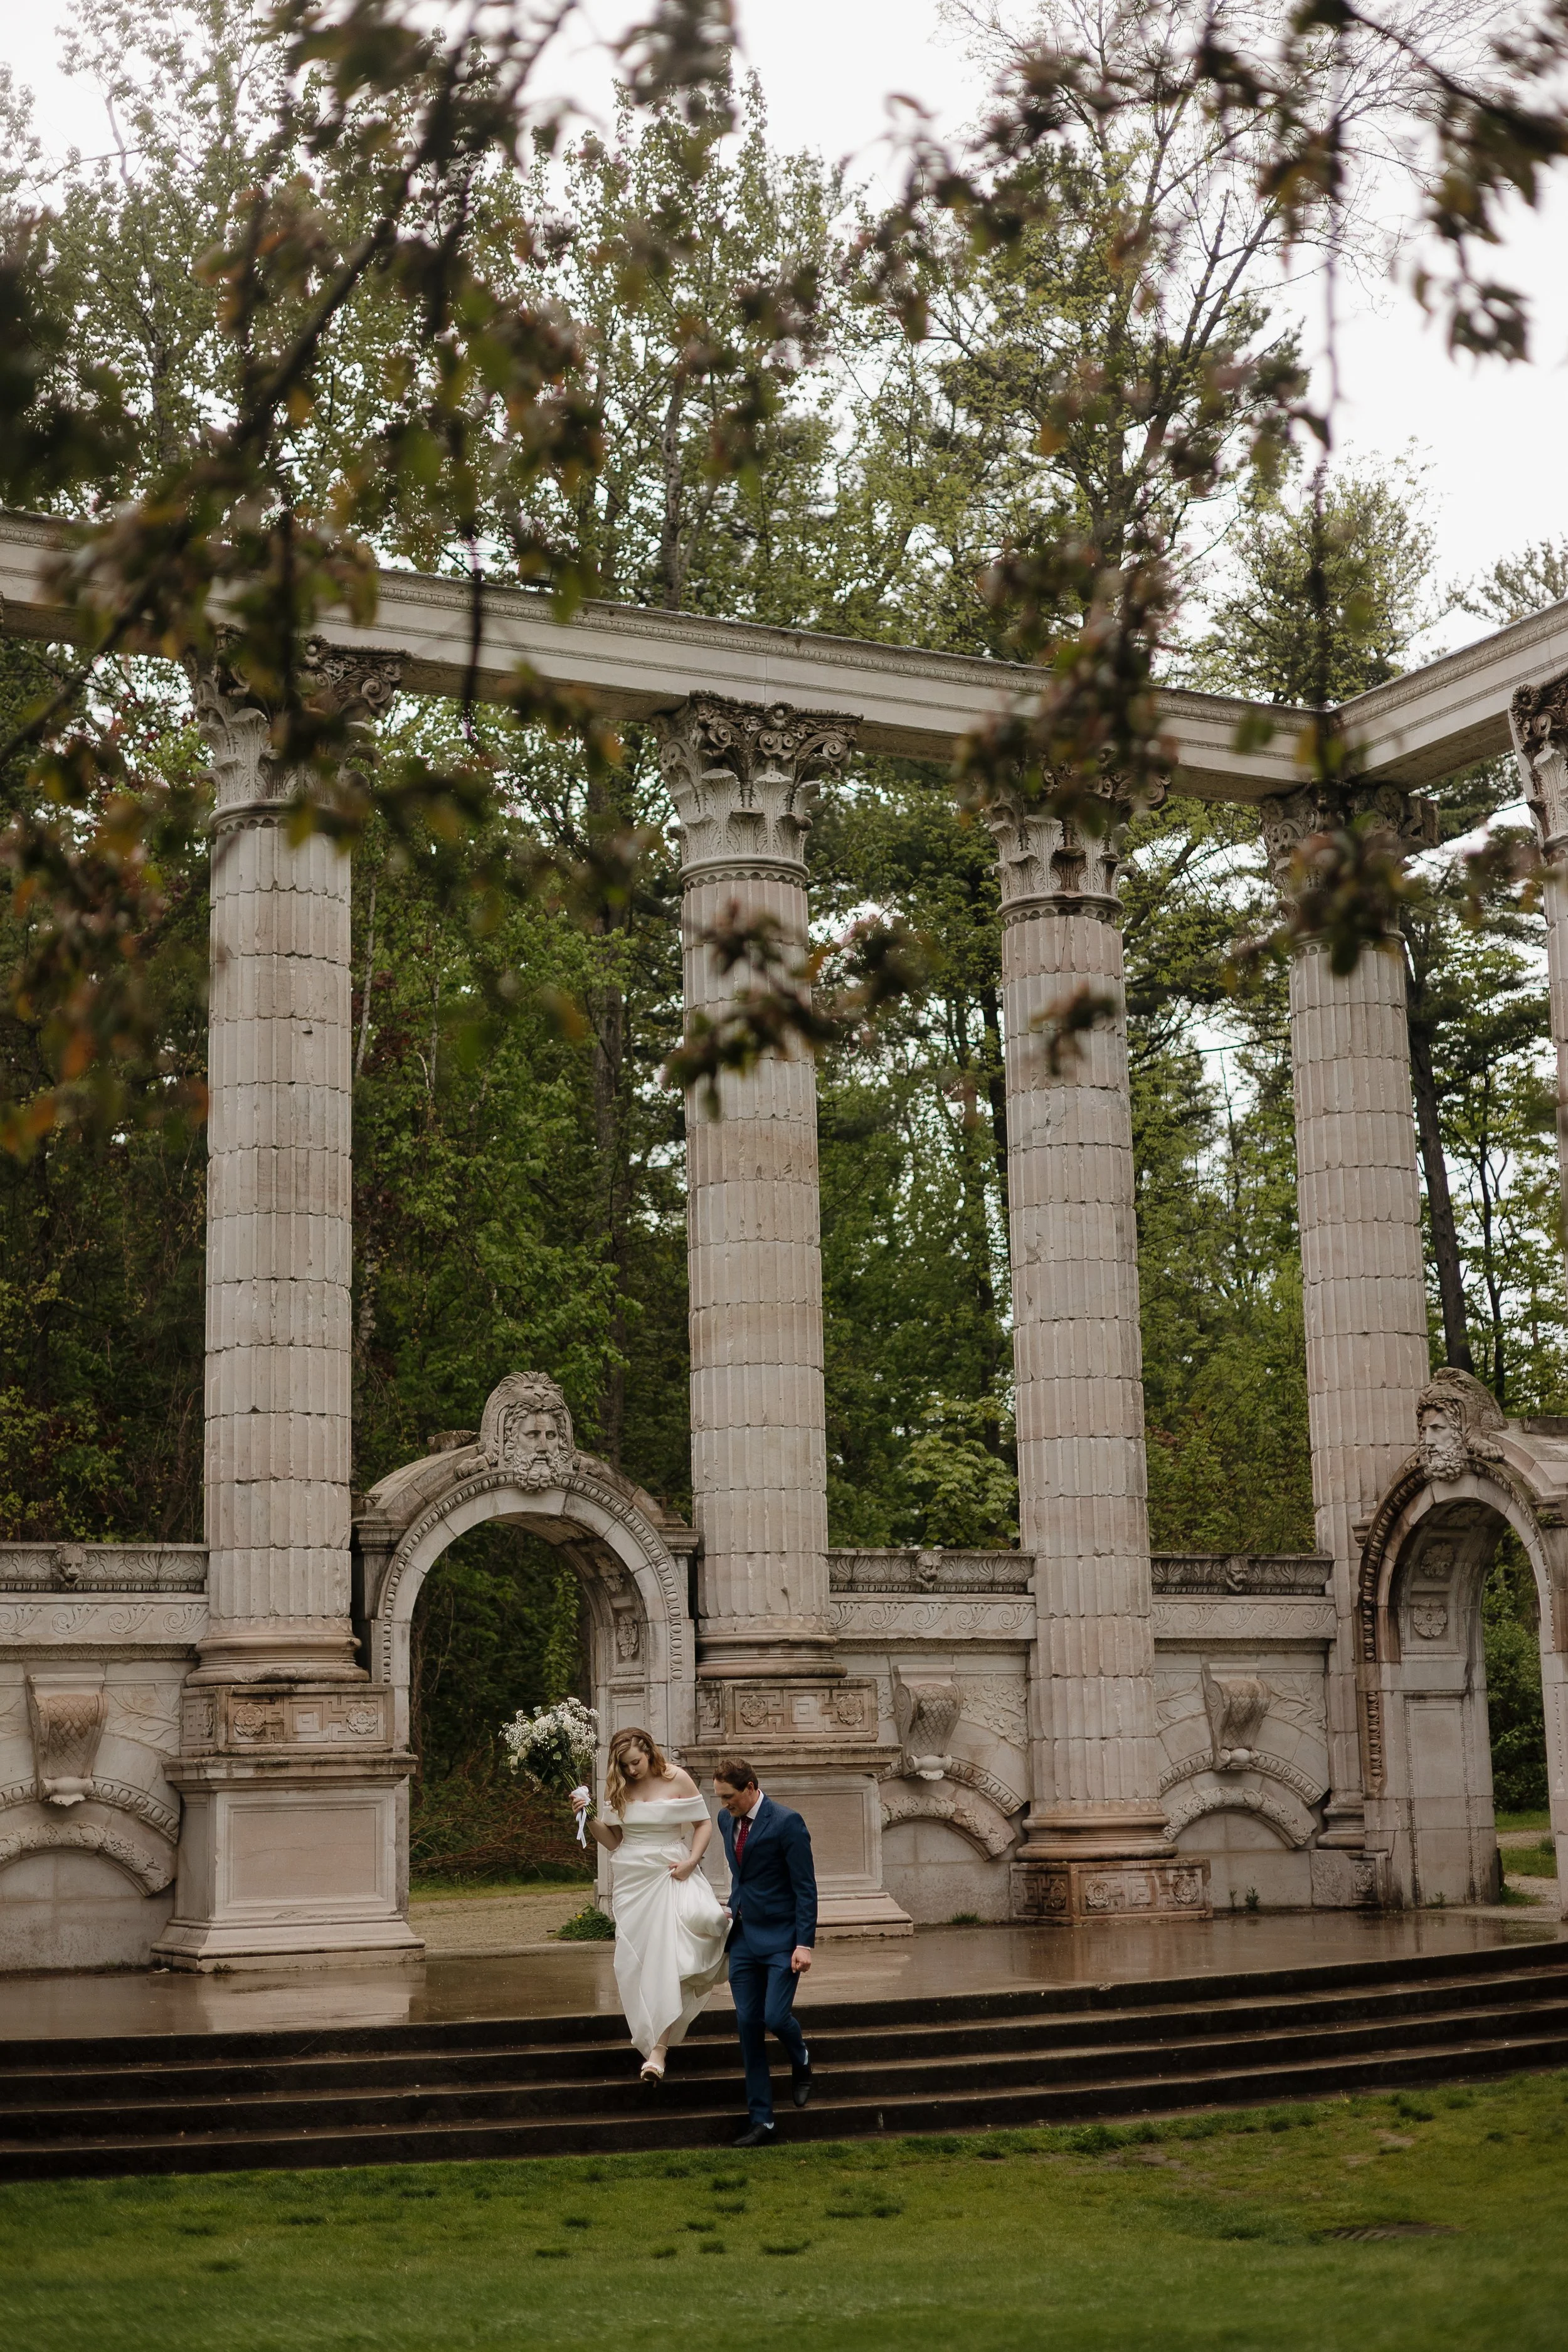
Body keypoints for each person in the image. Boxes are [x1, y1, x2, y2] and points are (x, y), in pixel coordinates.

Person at [573, 1727, 728, 2084]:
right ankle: (656, 2043)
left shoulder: (677, 1777)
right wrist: (587, 1815)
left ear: (649, 1752)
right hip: (632, 1881)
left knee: (669, 1959)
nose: (632, 1771)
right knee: (640, 1966)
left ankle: (659, 2051)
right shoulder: (619, 1787)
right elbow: (613, 1841)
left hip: (672, 1872)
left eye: (636, 1763)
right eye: (625, 1766)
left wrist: (692, 1860)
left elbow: (703, 1823)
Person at [713, 1756, 817, 2148]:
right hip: (742, 1939)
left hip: (782, 1940)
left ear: (751, 1787)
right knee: (748, 2027)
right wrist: (729, 1907)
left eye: (730, 1797)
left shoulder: (787, 1822)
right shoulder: (727, 1821)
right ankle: (763, 2121)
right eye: (721, 1798)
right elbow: (743, 1876)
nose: (725, 1805)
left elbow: (805, 1887)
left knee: (775, 2016)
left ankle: (801, 2057)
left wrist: (804, 1943)